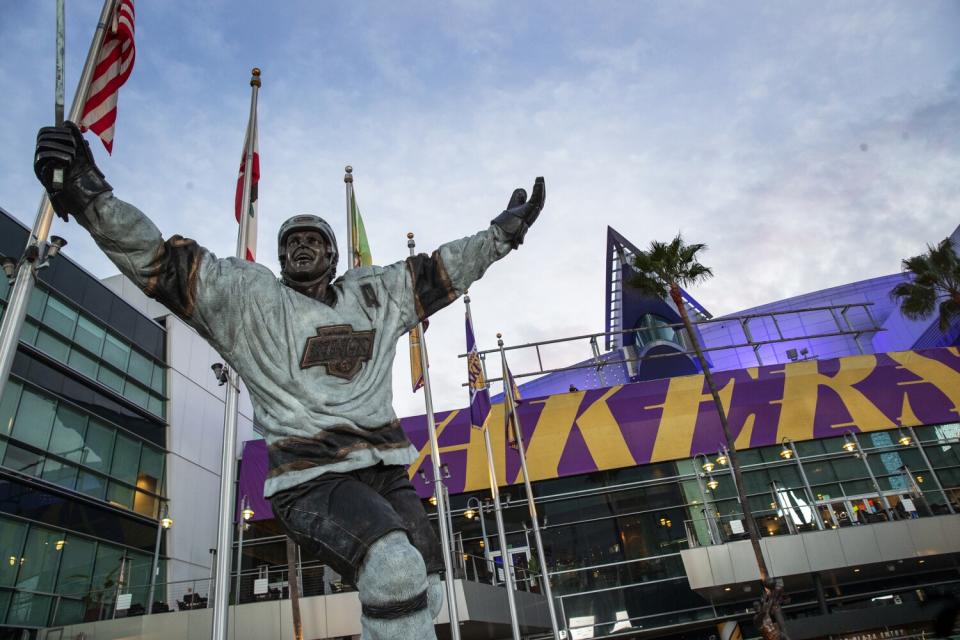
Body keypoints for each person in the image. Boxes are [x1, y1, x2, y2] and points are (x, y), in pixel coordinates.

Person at [34, 122, 545, 640]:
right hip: (310, 478)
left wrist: (500, 237)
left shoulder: (375, 295)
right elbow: (159, 260)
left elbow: (441, 271)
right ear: (280, 258)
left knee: (428, 590)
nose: (302, 247)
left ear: (333, 255)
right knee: (394, 570)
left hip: (385, 469)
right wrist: (87, 192)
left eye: (314, 240)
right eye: (292, 242)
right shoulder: (246, 299)